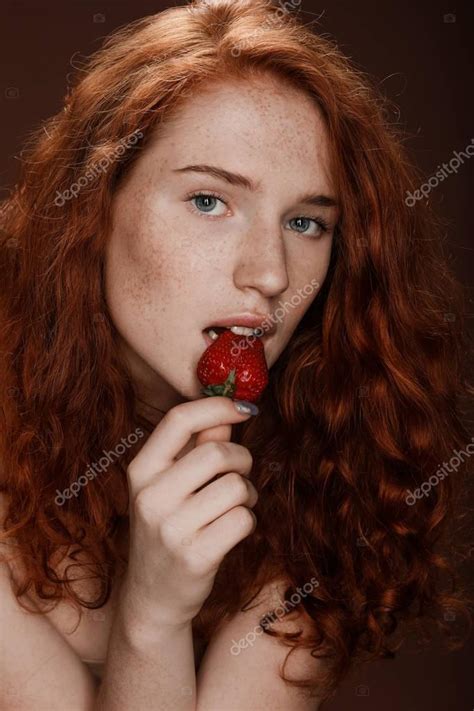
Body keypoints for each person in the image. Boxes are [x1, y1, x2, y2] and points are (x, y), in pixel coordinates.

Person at [0, 1, 471, 709]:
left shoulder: (326, 483)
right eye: (210, 202)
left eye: (306, 222)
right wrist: (152, 617)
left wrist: (153, 623)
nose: (271, 273)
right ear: (91, 210)